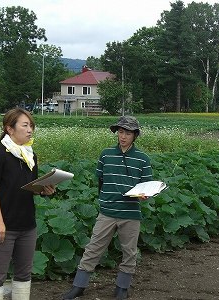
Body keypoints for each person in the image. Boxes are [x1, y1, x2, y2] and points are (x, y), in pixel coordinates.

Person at [63, 116, 153, 300]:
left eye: (128, 133)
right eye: (120, 132)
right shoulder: (106, 155)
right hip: (107, 212)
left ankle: (122, 288)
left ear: (135, 135)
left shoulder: (143, 159)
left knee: (129, 252)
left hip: (130, 213)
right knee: (93, 248)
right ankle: (78, 286)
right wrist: (105, 200)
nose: (123, 136)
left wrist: (145, 195)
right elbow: (101, 181)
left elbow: (147, 187)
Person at [0, 108, 55, 300]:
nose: (30, 129)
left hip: (27, 225)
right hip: (3, 226)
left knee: (24, 275)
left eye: (31, 125)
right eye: (25, 125)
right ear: (10, 128)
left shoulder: (30, 155)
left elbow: (29, 187)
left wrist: (44, 190)